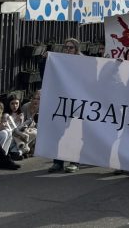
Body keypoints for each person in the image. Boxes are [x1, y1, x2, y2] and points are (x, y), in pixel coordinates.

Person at [49, 38, 82, 174]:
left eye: (71, 48)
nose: (68, 50)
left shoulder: (83, 63)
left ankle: (74, 161)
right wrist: (44, 60)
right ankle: (58, 161)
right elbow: (47, 75)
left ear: (76, 49)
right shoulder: (59, 62)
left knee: (74, 132)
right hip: (61, 101)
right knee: (59, 131)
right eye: (66, 47)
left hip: (77, 102)